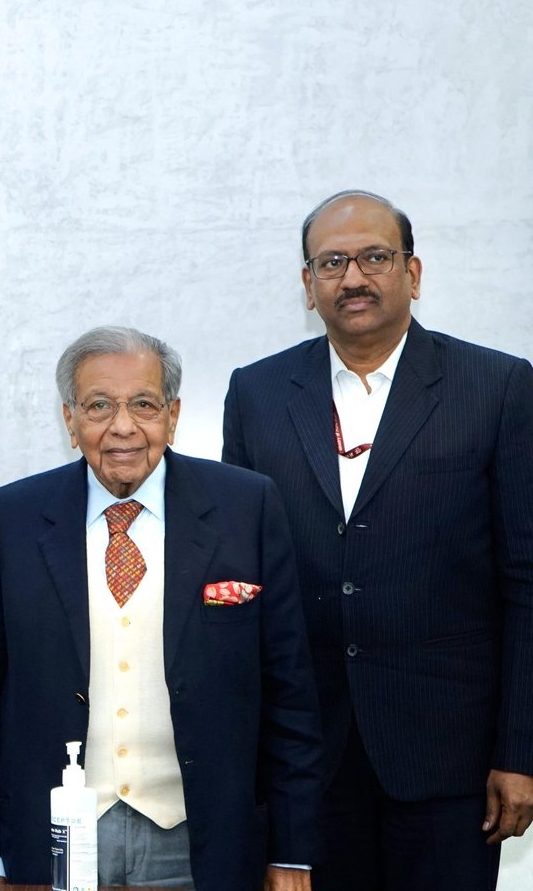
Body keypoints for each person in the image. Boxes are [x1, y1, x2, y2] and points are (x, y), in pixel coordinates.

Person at [222, 190, 533, 890]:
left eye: (375, 257)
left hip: (449, 757)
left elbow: (526, 578)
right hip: (308, 757)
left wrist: (521, 750)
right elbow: (242, 578)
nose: (353, 278)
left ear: (412, 273)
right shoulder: (257, 394)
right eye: (332, 263)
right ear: (308, 285)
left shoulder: (497, 387)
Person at [0, 326, 322, 890]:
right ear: (70, 420)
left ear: (172, 415)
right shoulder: (14, 517)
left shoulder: (246, 507)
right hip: (54, 841)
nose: (122, 426)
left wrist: (292, 853)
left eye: (143, 405)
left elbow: (290, 697)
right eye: (99, 406)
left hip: (202, 843)